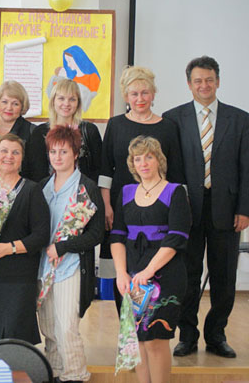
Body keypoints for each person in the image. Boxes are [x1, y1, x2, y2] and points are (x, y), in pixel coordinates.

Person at [164, 56, 249, 359]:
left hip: (227, 209)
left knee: (224, 277)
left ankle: (216, 336)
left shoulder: (240, 119)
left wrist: (245, 209)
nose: (204, 85)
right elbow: (169, 170)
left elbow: (247, 169)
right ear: (189, 84)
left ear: (218, 81)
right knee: (187, 276)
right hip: (187, 210)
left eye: (209, 79)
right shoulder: (173, 119)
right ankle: (187, 336)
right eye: (198, 80)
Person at [99, 66, 185, 311]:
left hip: (158, 212)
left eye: (145, 93)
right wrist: (106, 205)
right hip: (122, 209)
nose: (140, 99)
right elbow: (105, 170)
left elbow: (176, 173)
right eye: (134, 94)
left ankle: (148, 324)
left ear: (153, 94)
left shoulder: (168, 127)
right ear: (126, 96)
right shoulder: (115, 125)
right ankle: (130, 323)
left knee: (154, 277)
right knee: (124, 272)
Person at [111, 136, 191, 382]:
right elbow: (117, 235)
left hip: (165, 275)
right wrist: (121, 273)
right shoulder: (126, 192)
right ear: (132, 164)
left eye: (149, 157)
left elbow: (176, 238)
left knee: (156, 340)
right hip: (132, 276)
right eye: (138, 159)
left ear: (159, 160)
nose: (143, 163)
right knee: (138, 339)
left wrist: (148, 271)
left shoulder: (175, 191)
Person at [37, 125, 104, 383]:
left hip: (71, 266)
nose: (57, 157)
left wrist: (64, 247)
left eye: (64, 151)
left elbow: (96, 234)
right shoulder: (43, 186)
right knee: (49, 328)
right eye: (53, 152)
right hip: (44, 266)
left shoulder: (86, 187)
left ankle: (75, 375)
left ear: (76, 154)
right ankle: (55, 372)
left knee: (67, 327)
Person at [0, 134, 51, 346]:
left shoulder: (31, 190)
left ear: (21, 159)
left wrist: (7, 248)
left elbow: (40, 235)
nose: (9, 156)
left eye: (15, 152)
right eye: (4, 151)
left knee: (13, 337)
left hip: (18, 278)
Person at [23, 78, 102, 183]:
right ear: (53, 101)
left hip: (83, 191)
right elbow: (33, 171)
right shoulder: (39, 132)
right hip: (46, 191)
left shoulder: (89, 131)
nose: (66, 103)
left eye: (72, 99)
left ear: (78, 103)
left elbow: (99, 168)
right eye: (61, 98)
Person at [0, 80, 36, 147]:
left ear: (22, 106)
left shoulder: (33, 131)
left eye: (15, 104)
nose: (9, 108)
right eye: (4, 102)